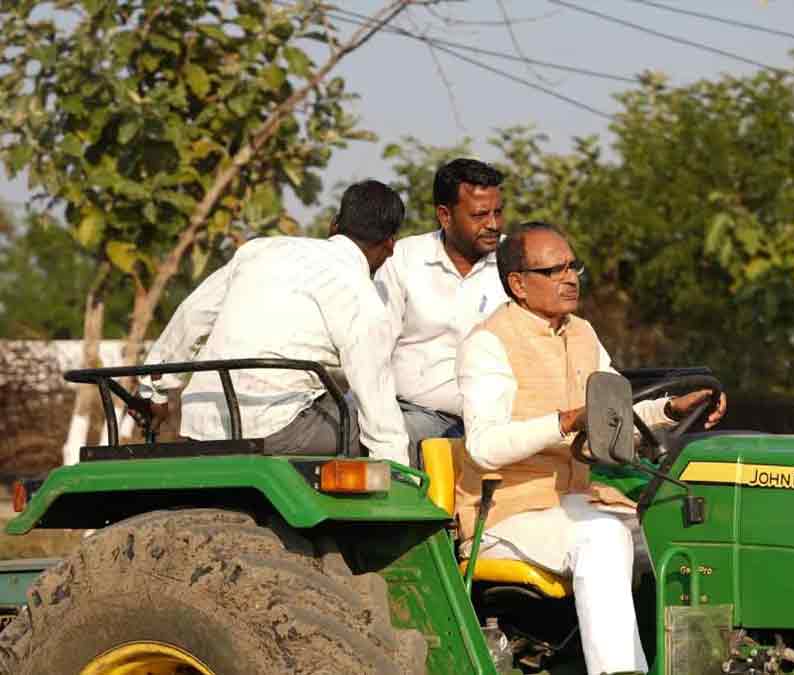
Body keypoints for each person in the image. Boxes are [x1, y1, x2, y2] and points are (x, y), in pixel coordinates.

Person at [454, 221, 727, 675]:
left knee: (686, 529)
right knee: (602, 537)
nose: (570, 277)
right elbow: (484, 446)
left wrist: (674, 411)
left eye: (572, 265)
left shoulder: (582, 333)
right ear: (518, 284)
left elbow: (621, 419)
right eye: (555, 269)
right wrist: (564, 422)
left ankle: (708, 663)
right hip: (506, 513)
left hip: (582, 500)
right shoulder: (488, 344)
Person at [135, 180, 410, 463]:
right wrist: (397, 470)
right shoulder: (361, 295)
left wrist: (154, 390)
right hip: (275, 429)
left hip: (203, 421)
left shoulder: (261, 249)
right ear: (390, 245)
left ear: (333, 224)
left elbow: (192, 315)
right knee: (400, 427)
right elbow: (374, 392)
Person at [374, 158, 506, 463]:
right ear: (444, 215)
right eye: (479, 214)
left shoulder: (515, 262)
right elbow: (374, 347)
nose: (493, 224)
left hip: (493, 420)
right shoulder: (402, 259)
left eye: (498, 212)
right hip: (411, 412)